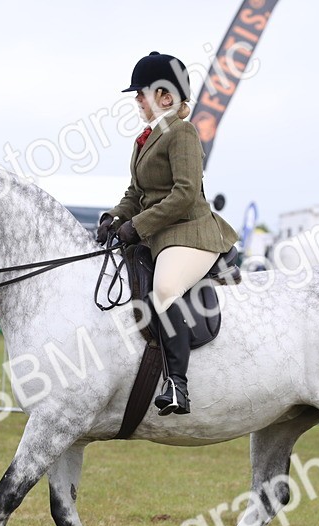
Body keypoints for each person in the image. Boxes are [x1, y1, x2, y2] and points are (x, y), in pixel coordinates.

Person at [97, 52, 238, 416]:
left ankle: (177, 384)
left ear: (164, 96)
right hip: (161, 236)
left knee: (164, 289)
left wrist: (137, 225)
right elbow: (136, 193)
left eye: (141, 92)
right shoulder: (145, 139)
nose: (136, 99)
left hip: (191, 233)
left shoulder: (182, 132)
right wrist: (115, 217)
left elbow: (185, 193)